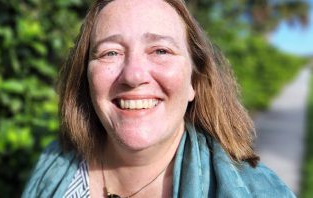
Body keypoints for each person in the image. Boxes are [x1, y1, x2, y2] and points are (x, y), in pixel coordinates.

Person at [22, 0, 296, 197]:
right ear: (86, 79)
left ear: (194, 82)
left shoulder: (258, 191)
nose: (133, 75)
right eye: (110, 53)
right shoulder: (55, 162)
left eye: (160, 50)